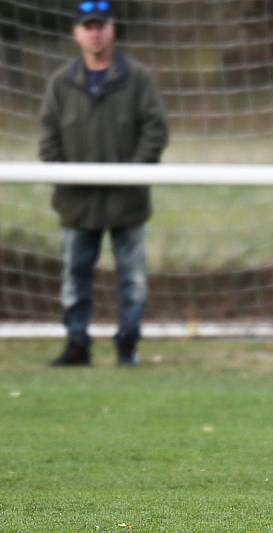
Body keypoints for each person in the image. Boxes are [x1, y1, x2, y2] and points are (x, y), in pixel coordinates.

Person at [39, 1, 169, 367]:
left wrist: (133, 172)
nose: (95, 32)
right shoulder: (61, 84)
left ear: (112, 29)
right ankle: (76, 344)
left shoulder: (138, 78)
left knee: (132, 279)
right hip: (76, 203)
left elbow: (155, 129)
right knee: (75, 277)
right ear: (76, 33)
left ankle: (128, 345)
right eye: (88, 25)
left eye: (101, 25)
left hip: (127, 202)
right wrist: (66, 174)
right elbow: (48, 137)